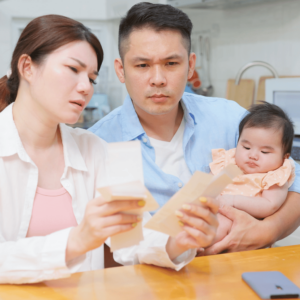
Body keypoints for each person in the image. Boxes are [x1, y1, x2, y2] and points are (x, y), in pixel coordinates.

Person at [0, 14, 219, 284]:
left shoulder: (99, 148)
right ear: (27, 67)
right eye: (72, 69)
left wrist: (177, 241)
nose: (84, 88)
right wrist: (77, 240)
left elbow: (132, 239)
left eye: (91, 79)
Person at [89, 2, 300, 255]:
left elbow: (295, 180)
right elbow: (121, 244)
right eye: (142, 65)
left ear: (190, 65)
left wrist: (266, 231)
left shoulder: (231, 119)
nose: (158, 79)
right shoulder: (100, 144)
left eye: (171, 63)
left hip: (243, 275)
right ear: (121, 70)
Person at [208, 103, 295, 245]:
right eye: (246, 147)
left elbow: (269, 205)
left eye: (264, 152)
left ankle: (198, 247)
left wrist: (233, 201)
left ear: (284, 158)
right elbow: (209, 183)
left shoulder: (273, 176)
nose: (253, 155)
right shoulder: (229, 162)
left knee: (221, 225)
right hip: (212, 211)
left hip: (242, 225)